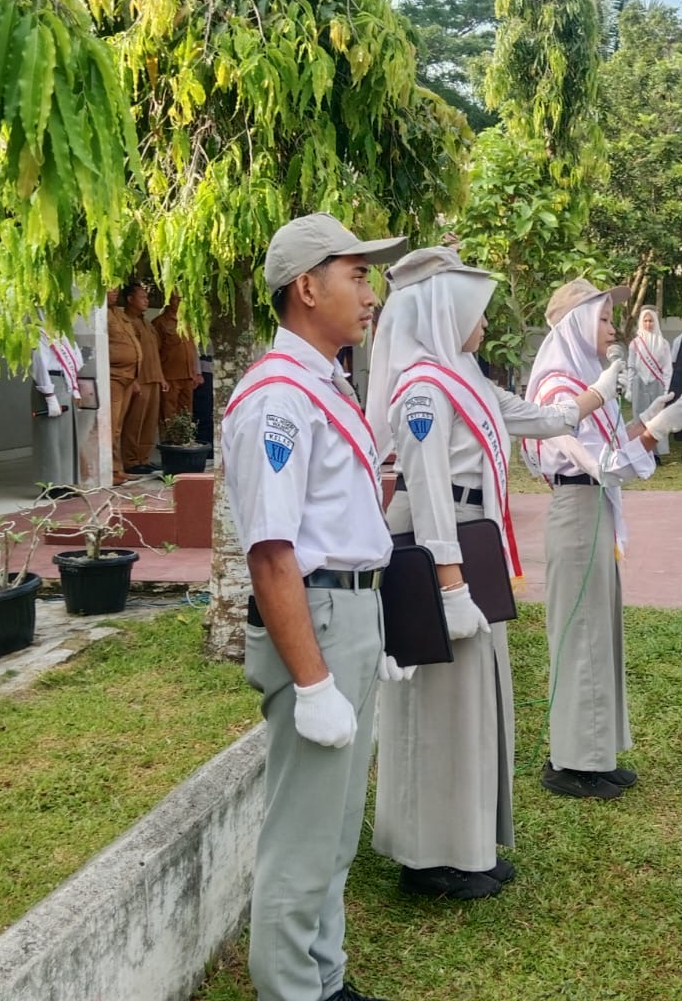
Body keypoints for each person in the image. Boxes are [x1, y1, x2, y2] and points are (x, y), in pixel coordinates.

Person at [365, 247, 620, 900]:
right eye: (475, 312)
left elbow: (540, 417)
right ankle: (427, 857)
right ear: (447, 314)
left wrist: (596, 394)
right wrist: (450, 587)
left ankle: (466, 843)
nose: (484, 323)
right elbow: (427, 490)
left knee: (474, 698)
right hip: (438, 549)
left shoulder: (465, 377)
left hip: (469, 544)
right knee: (435, 704)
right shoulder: (424, 388)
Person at [221, 212, 409, 1001]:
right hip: (318, 622)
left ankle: (324, 979)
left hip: (349, 614)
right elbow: (272, 554)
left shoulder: (323, 385)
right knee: (303, 838)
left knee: (332, 831)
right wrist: (312, 681)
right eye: (357, 275)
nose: (371, 294)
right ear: (306, 286)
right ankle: (292, 990)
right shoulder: (278, 398)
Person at [522, 280, 682, 801]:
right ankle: (571, 762)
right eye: (601, 318)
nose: (611, 328)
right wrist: (654, 432)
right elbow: (601, 465)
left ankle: (594, 754)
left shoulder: (583, 382)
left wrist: (645, 420)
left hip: (591, 511)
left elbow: (609, 446)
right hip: (578, 510)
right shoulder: (559, 391)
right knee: (581, 637)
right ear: (575, 324)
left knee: (598, 633)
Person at [31, 325, 84, 497]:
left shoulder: (62, 332)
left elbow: (73, 362)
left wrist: (74, 390)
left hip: (64, 382)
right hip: (50, 383)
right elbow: (39, 364)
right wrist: (49, 395)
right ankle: (50, 485)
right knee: (50, 436)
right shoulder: (39, 333)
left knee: (66, 437)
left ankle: (64, 481)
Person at [120, 282, 167, 473]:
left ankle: (143, 458)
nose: (146, 300)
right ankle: (131, 460)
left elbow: (156, 352)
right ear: (130, 299)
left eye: (147, 297)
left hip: (154, 377)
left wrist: (161, 377)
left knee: (149, 422)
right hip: (140, 379)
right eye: (142, 297)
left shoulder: (147, 323)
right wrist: (133, 380)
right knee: (134, 422)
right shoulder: (126, 321)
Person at [627, 306, 674, 459]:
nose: (648, 324)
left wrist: (667, 389)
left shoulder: (663, 343)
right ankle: (640, 451)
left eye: (651, 321)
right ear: (641, 322)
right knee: (639, 417)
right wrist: (629, 388)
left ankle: (657, 453)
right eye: (645, 321)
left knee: (657, 418)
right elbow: (631, 367)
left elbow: (667, 368)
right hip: (639, 383)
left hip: (657, 383)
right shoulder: (635, 344)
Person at [105, 286, 141, 485]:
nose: (114, 292)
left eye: (116, 289)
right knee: (111, 426)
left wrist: (134, 377)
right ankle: (109, 470)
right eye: (109, 288)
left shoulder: (118, 313)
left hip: (128, 376)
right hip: (113, 377)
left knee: (118, 426)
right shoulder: (99, 313)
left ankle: (117, 468)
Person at [153, 293, 201, 433]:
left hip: (188, 377)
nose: (179, 302)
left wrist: (195, 373)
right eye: (176, 299)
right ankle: (169, 443)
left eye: (181, 299)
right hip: (170, 377)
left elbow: (192, 348)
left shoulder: (187, 321)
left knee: (186, 413)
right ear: (168, 300)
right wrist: (161, 377)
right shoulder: (160, 323)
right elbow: (154, 353)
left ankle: (184, 441)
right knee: (169, 414)